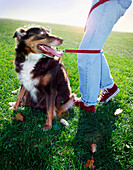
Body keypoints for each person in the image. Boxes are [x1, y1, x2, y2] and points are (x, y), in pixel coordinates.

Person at [75, 0, 132, 113]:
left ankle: (87, 102)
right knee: (93, 49)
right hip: (109, 2)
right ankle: (109, 86)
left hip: (108, 2)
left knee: (87, 51)